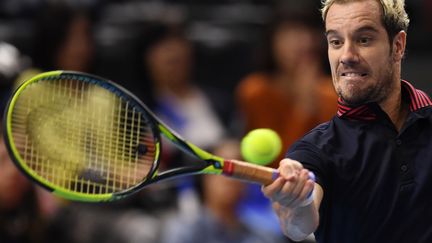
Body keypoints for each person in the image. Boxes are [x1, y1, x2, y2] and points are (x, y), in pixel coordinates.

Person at [262, 0, 432, 242]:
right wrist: (295, 204)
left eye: (363, 39)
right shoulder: (313, 150)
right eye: (336, 42)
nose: (346, 56)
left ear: (398, 46)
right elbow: (299, 226)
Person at [236, 11, 337, 167]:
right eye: (291, 33)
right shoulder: (256, 91)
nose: (303, 42)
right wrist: (305, 108)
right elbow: (278, 164)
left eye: (307, 33)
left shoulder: (332, 92)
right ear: (272, 41)